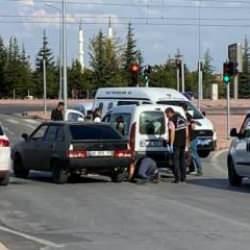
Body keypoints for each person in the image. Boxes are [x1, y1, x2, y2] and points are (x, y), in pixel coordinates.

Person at [165, 107, 189, 183]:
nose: (166, 116)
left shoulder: (171, 121)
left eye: (166, 114)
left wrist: (171, 144)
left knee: (176, 161)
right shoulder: (182, 118)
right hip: (183, 142)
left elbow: (172, 133)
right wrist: (187, 143)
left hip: (176, 143)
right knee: (182, 161)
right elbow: (187, 131)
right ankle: (183, 177)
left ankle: (177, 178)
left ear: (170, 113)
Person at [182, 104, 203, 176]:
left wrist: (191, 123)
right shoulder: (185, 116)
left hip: (192, 138)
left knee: (194, 154)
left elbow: (194, 125)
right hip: (190, 138)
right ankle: (192, 169)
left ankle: (200, 170)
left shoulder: (187, 116)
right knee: (190, 154)